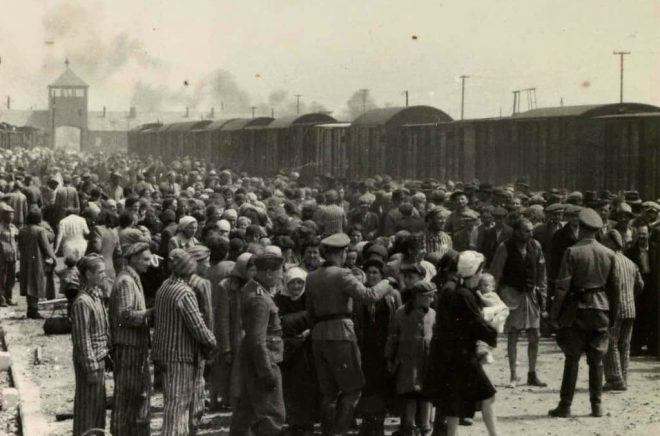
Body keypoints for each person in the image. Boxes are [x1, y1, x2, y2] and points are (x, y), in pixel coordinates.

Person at [305, 233, 395, 436]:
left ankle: (328, 432)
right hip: (341, 335)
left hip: (318, 335)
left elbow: (310, 311)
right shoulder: (342, 274)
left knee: (329, 391)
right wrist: (387, 282)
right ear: (343, 252)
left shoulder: (311, 277)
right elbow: (369, 296)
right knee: (353, 388)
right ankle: (339, 432)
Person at [549, 208, 620, 418]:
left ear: (580, 228)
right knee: (596, 361)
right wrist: (613, 316)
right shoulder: (608, 253)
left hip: (576, 310)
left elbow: (562, 287)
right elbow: (615, 288)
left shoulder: (572, 252)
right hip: (601, 310)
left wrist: (554, 314)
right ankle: (596, 406)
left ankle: (565, 405)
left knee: (572, 359)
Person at [424, 251, 498, 436]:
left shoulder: (460, 290)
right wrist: (492, 330)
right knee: (488, 395)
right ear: (475, 271)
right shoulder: (465, 294)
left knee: (453, 402)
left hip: (452, 355)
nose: (481, 274)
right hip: (463, 356)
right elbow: (477, 324)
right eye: (480, 271)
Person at [152, 249, 217, 435]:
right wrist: (212, 342)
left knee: (172, 403)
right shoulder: (184, 292)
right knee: (178, 408)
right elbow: (197, 326)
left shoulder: (164, 286)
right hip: (180, 355)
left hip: (163, 353)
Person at [230, 252, 286, 436]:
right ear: (269, 273)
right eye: (280, 272)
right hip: (264, 361)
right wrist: (267, 373)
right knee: (271, 416)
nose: (281, 276)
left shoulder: (251, 288)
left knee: (245, 413)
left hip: (252, 360)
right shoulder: (260, 299)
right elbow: (258, 340)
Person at [488, 218, 547, 388]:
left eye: (531, 230)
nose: (530, 234)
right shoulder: (504, 247)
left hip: (531, 295)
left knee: (535, 335)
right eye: (526, 231)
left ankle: (532, 373)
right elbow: (495, 274)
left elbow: (542, 274)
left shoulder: (536, 246)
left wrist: (542, 295)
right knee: (513, 335)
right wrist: (494, 299)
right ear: (516, 231)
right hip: (512, 295)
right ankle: (513, 375)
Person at [109, 241, 153, 436]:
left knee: (134, 396)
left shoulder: (132, 278)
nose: (149, 263)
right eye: (145, 259)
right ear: (133, 259)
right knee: (126, 397)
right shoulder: (126, 281)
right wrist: (149, 313)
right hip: (128, 347)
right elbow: (125, 315)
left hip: (134, 346)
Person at [354, 259, 401, 436]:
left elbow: (397, 320)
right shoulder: (361, 294)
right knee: (367, 385)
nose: (372, 276)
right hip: (366, 345)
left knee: (382, 384)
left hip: (384, 345)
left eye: (376, 273)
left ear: (382, 276)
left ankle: (378, 424)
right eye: (370, 272)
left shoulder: (393, 294)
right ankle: (367, 424)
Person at [386, 281, 436, 436]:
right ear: (418, 297)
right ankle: (409, 425)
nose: (432, 299)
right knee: (410, 393)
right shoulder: (401, 313)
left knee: (426, 393)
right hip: (408, 359)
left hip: (426, 359)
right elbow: (392, 336)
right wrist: (389, 357)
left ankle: (426, 426)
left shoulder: (432, 313)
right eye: (429, 296)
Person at [274, 267, 320, 436]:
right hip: (289, 349)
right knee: (291, 386)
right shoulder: (280, 300)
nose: (295, 286)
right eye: (292, 282)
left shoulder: (310, 298)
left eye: (300, 282)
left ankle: (307, 422)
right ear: (286, 283)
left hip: (307, 347)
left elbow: (316, 319)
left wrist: (307, 333)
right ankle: (294, 422)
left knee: (308, 385)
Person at [71, 254, 111, 436]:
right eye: (100, 272)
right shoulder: (82, 302)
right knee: (87, 411)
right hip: (91, 363)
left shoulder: (96, 296)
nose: (104, 275)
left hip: (100, 358)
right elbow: (82, 339)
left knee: (97, 410)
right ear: (88, 274)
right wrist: (91, 368)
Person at [603, 230, 643, 391]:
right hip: (630, 308)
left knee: (610, 343)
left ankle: (614, 379)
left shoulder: (609, 261)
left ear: (612, 243)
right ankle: (623, 378)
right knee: (625, 344)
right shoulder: (630, 262)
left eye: (606, 241)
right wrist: (630, 295)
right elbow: (640, 285)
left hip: (615, 308)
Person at [18, 208, 57, 318]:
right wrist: (53, 259)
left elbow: (20, 245)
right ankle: (34, 310)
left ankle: (30, 308)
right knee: (35, 283)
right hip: (37, 260)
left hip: (25, 260)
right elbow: (46, 247)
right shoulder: (40, 230)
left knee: (27, 283)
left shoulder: (22, 230)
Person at [0, 203, 19, 307]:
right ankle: (1, 299)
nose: (11, 217)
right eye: (8, 215)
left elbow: (17, 237)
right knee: (2, 279)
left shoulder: (13, 227)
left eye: (12, 215)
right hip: (2, 257)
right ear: (3, 215)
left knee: (11, 279)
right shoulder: (0, 228)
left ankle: (9, 297)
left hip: (12, 256)